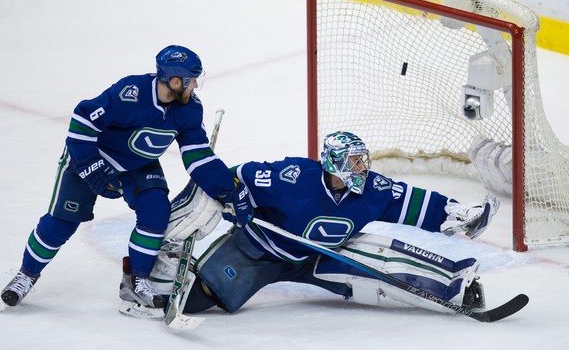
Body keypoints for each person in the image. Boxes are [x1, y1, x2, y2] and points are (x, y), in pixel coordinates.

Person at [0, 45, 251, 318]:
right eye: (191, 80)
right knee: (62, 222)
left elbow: (198, 155)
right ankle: (26, 275)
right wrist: (91, 167)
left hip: (138, 164)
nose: (195, 86)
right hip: (90, 157)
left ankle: (137, 282)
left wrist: (226, 188)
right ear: (175, 81)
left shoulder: (189, 109)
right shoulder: (130, 93)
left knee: (156, 212)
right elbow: (82, 120)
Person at [155, 131, 499, 317]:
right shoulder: (291, 177)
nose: (363, 166)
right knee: (196, 300)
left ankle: (456, 285)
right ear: (335, 162)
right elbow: (238, 176)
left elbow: (413, 202)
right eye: (355, 160)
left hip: (319, 256)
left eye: (363, 159)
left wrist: (456, 215)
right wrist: (234, 198)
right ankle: (151, 284)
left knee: (381, 259)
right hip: (256, 251)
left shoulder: (372, 189)